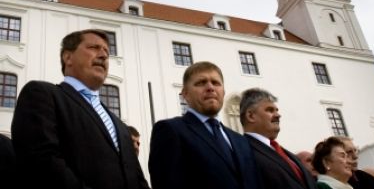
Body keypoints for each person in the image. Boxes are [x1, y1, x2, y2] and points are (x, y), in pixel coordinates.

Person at [11, 29, 149, 189]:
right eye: (94, 47)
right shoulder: (42, 94)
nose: (103, 55)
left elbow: (138, 178)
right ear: (68, 57)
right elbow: (42, 162)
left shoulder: (121, 126)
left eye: (106, 51)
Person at [148, 61, 260, 189]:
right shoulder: (170, 130)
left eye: (216, 83)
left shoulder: (240, 140)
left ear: (223, 92)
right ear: (185, 94)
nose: (210, 87)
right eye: (201, 83)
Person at [240, 88, 316, 189]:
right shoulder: (242, 152)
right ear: (250, 116)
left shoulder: (288, 154)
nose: (278, 115)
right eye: (270, 110)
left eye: (276, 110)